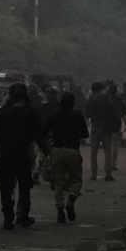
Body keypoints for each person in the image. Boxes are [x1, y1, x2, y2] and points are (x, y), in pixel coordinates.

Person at [0, 83, 50, 229]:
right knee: (24, 187)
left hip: (6, 155)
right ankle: (22, 216)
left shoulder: (2, 113)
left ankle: (8, 217)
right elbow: (39, 135)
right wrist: (47, 153)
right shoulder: (31, 113)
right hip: (23, 155)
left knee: (6, 186)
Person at [45, 92, 89, 224]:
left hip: (57, 150)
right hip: (72, 151)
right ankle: (71, 198)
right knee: (76, 180)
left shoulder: (54, 114)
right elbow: (85, 134)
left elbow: (44, 130)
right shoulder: (78, 115)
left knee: (58, 182)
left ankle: (60, 211)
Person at [87, 82, 115, 180]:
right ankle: (108, 174)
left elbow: (86, 114)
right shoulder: (105, 98)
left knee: (93, 152)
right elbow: (112, 111)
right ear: (100, 89)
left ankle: (93, 174)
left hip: (94, 126)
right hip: (105, 127)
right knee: (107, 151)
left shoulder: (89, 100)